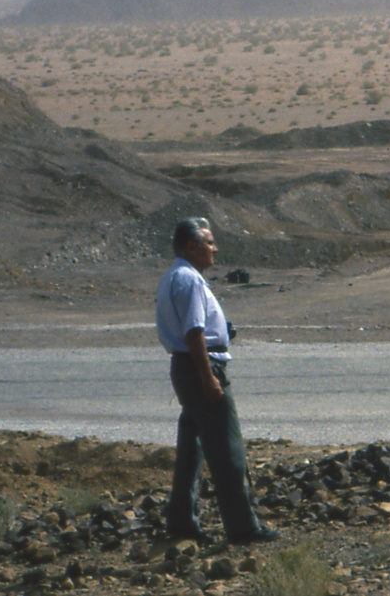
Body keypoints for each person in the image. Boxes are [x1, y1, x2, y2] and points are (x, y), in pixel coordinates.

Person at [155, 216, 277, 544]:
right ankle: (243, 528)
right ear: (192, 246)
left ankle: (181, 522)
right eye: (209, 242)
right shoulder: (189, 280)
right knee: (227, 450)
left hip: (185, 368)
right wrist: (208, 378)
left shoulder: (172, 277)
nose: (215, 248)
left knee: (191, 450)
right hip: (200, 369)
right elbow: (193, 331)